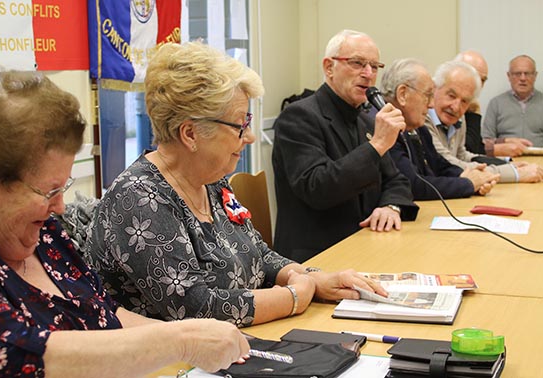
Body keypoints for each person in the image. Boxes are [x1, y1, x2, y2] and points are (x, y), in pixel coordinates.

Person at [85, 41, 388, 329]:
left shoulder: (212, 181)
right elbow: (196, 307)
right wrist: (293, 297)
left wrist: (315, 278)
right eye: (240, 125)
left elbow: (258, 253)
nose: (250, 137)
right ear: (190, 134)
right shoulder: (139, 198)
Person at [0, 71, 252, 376]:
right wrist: (182, 341)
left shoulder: (47, 237)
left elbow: (105, 314)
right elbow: (19, 354)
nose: (60, 206)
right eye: (48, 191)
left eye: (63, 187)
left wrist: (200, 336)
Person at [271, 29, 419, 262]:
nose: (368, 74)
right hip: (315, 256)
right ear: (329, 67)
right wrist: (377, 144)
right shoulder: (298, 117)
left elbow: (397, 180)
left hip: (365, 244)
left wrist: (390, 206)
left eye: (374, 66)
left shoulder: (366, 118)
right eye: (358, 63)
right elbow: (318, 188)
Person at [383, 58, 499, 200]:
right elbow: (413, 184)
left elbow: (440, 165)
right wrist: (467, 183)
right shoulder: (384, 125)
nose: (431, 104)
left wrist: (468, 176)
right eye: (427, 95)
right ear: (402, 94)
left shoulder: (418, 128)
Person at [425, 60, 543, 184]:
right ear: (434, 89)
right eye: (451, 96)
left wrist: (507, 166)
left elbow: (462, 155)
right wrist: (514, 174)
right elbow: (448, 164)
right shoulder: (423, 118)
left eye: (465, 101)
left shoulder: (459, 115)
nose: (456, 107)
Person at [455, 50, 532, 157]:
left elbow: (474, 146)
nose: (478, 85)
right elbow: (469, 150)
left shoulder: (470, 106)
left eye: (482, 80)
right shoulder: (449, 106)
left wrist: (504, 141)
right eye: (517, 74)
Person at [483, 54, 543, 147]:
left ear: (535, 76)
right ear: (509, 76)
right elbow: (486, 141)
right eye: (517, 74)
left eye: (527, 73)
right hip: (504, 159)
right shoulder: (496, 104)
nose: (522, 78)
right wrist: (505, 143)